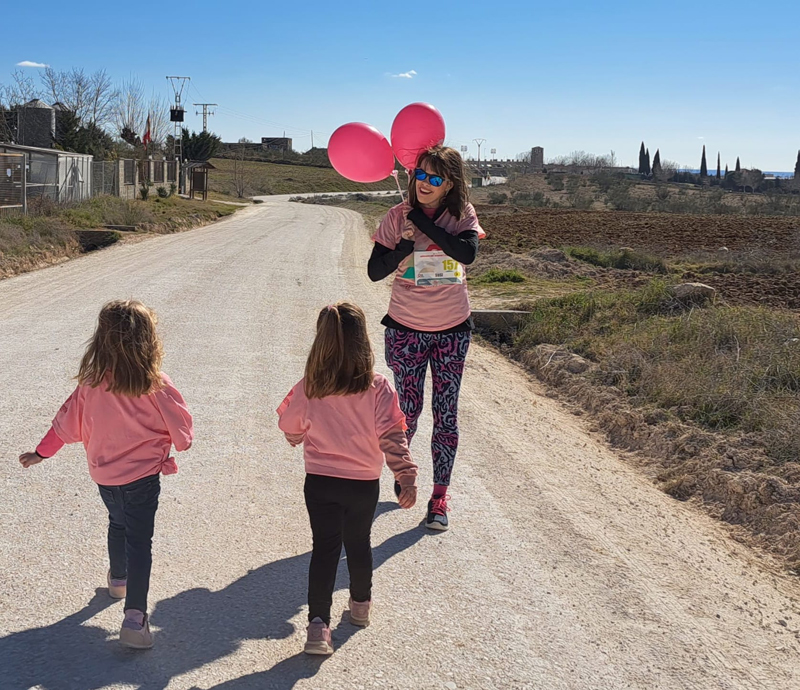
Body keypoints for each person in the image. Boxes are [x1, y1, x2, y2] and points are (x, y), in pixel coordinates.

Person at [18, 300, 194, 650]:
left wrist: (41, 452)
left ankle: (118, 579)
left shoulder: (90, 383)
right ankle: (134, 617)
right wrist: (174, 441)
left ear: (101, 339)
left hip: (104, 476)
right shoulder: (155, 383)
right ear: (148, 339)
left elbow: (65, 423)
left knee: (117, 523)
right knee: (139, 541)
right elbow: (183, 434)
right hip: (143, 477)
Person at [277, 302, 418, 655]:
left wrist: (297, 437)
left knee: (325, 549)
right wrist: (405, 474)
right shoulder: (377, 386)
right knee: (358, 542)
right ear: (363, 342)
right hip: (363, 484)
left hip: (321, 482)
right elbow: (393, 433)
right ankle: (360, 607)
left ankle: (317, 626)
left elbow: (289, 424)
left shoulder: (311, 385)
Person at [368, 145, 485, 531]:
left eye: (435, 178)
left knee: (446, 416)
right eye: (420, 175)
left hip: (452, 331)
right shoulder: (395, 217)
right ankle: (403, 478)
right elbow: (374, 271)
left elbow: (465, 253)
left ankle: (439, 497)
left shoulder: (461, 214)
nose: (424, 184)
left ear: (449, 183)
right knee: (408, 414)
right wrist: (403, 243)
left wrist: (423, 222)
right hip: (406, 331)